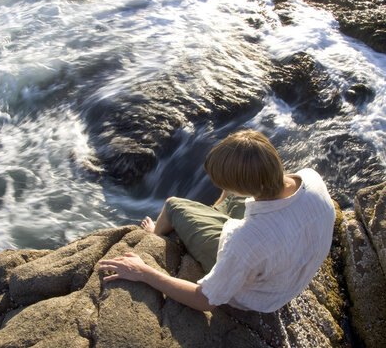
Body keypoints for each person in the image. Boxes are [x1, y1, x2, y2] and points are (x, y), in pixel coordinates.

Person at [98, 129, 335, 312]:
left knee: (173, 205)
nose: (220, 186)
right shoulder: (310, 179)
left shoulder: (244, 241)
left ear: (246, 187)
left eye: (224, 184)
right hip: (287, 268)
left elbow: (205, 300)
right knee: (228, 203)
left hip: (260, 297)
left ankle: (156, 234)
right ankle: (212, 213)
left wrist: (144, 272)